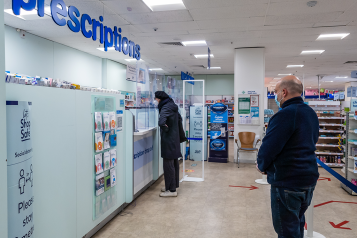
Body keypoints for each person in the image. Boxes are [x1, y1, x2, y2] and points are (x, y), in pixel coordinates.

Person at [256, 76, 319, 238]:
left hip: (287, 181)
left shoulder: (284, 115)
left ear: (284, 92)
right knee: (297, 223)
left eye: (276, 92)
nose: (276, 96)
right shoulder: (311, 113)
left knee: (286, 230)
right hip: (308, 179)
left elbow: (269, 147)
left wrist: (262, 166)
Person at [154, 91, 183, 197]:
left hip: (168, 139)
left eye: (156, 99)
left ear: (159, 99)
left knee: (168, 164)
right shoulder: (172, 105)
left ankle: (171, 191)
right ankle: (172, 186)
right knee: (174, 163)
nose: (156, 101)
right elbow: (179, 118)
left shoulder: (165, 107)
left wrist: (166, 130)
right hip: (175, 138)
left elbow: (161, 122)